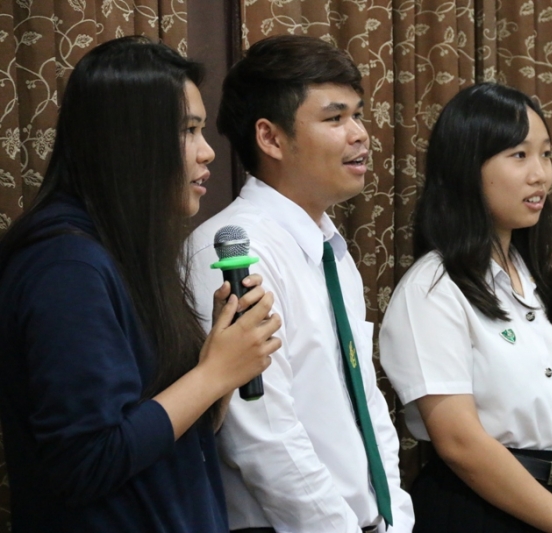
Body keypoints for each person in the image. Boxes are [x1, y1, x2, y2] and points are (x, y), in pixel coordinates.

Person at [0, 37, 282, 532]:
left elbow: (169, 437)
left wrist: (221, 365)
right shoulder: (65, 267)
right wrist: (213, 373)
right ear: (130, 140)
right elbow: (87, 462)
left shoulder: (125, 251)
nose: (207, 152)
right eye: (188, 130)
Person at [187, 35, 414, 533]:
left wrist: (394, 518)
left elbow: (366, 405)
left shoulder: (333, 251)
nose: (360, 135)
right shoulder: (231, 254)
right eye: (335, 118)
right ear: (270, 138)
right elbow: (263, 437)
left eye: (358, 115)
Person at [378, 83, 552, 533]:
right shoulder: (432, 288)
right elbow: (459, 442)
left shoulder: (542, 283)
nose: (541, 175)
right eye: (519, 155)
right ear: (467, 167)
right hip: (477, 509)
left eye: (546, 155)